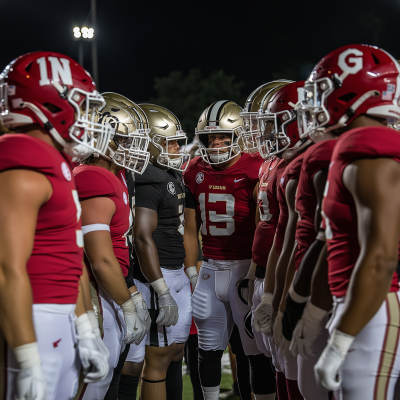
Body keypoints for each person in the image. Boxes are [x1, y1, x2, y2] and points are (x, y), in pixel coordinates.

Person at [0, 51, 111, 400]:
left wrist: (85, 325)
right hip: (31, 318)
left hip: (60, 316)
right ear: (51, 104)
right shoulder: (21, 157)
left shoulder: (53, 159)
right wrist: (27, 355)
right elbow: (5, 268)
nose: (88, 118)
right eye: (81, 105)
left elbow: (70, 252)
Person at [294, 44, 400, 400]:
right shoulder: (354, 148)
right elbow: (334, 242)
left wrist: (341, 339)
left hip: (375, 305)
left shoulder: (371, 154)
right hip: (360, 300)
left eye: (324, 90)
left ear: (355, 93)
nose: (315, 103)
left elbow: (381, 257)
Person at [184, 100, 276, 400]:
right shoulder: (194, 170)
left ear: (239, 136)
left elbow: (262, 226)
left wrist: (255, 271)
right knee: (208, 348)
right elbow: (189, 227)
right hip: (210, 268)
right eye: (211, 138)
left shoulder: (254, 168)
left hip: (242, 267)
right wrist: (190, 269)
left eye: (224, 137)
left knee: (254, 350)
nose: (217, 144)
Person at [73, 95, 151, 399]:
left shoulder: (113, 173)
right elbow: (100, 259)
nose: (131, 146)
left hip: (110, 290)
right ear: (100, 137)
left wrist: (129, 291)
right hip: (94, 292)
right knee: (92, 382)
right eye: (122, 139)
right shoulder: (93, 177)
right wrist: (127, 303)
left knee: (104, 379)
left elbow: (118, 248)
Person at [123, 103, 193, 400]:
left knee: (176, 351)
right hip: (157, 275)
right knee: (156, 357)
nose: (177, 147)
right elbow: (142, 237)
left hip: (175, 270)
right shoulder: (149, 178)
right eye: (170, 141)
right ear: (150, 144)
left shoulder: (169, 173)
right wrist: (161, 290)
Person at [252, 81, 312, 399]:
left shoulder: (312, 167)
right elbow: (284, 240)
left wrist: (283, 302)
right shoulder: (289, 170)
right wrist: (273, 299)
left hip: (332, 290)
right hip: (303, 287)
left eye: (278, 123)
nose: (270, 134)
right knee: (288, 368)